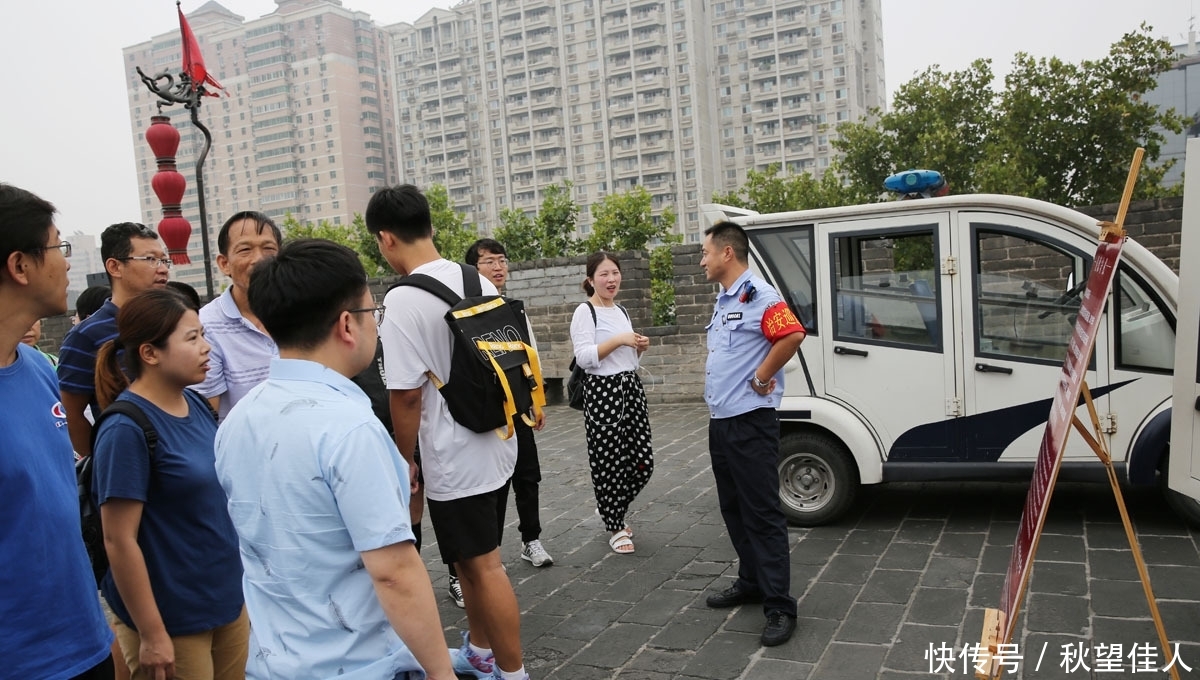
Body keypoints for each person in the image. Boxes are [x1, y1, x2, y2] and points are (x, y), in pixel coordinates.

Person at [215, 239, 455, 680]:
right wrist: (442, 672)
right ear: (348, 324)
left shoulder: (238, 418)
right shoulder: (349, 428)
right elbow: (394, 573)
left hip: (271, 661)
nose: (376, 325)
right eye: (372, 313)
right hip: (358, 663)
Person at [368, 185, 531, 680]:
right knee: (468, 559)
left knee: (484, 567)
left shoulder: (401, 301)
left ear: (386, 239)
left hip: (454, 454)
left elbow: (407, 394)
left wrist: (404, 459)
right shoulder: (478, 280)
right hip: (499, 438)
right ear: (431, 228)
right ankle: (481, 652)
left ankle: (513, 672)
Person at [92, 289, 248, 679]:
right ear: (150, 353)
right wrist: (151, 632)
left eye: (203, 334)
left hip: (226, 602)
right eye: (192, 338)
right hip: (172, 620)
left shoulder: (195, 404)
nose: (207, 348)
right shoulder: (126, 429)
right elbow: (118, 539)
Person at [0, 182, 114, 679]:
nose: (66, 263)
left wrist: (100, 636)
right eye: (56, 247)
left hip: (83, 642)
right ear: (19, 265)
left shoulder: (37, 367)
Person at [699, 221, 806, 647]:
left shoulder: (760, 295)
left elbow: (792, 334)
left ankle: (780, 605)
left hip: (750, 423)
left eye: (706, 252)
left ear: (728, 253)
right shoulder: (725, 299)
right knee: (734, 509)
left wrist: (763, 376)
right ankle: (752, 580)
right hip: (722, 423)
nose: (702, 260)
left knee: (761, 514)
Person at [465, 238, 553, 569]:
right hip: (492, 409)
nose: (499, 267)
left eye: (502, 260)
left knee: (528, 475)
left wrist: (536, 399)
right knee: (496, 481)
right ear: (474, 269)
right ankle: (493, 550)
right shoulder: (470, 311)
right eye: (490, 261)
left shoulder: (513, 306)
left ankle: (531, 540)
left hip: (520, 405)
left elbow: (529, 353)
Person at [59, 222, 170, 456]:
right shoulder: (85, 336)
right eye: (150, 259)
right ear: (115, 267)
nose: (162, 269)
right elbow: (71, 412)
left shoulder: (175, 322)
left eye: (164, 260)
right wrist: (105, 459)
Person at [569, 252, 653, 555]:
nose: (611, 279)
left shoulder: (622, 310)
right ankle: (615, 524)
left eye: (615, 273)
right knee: (609, 462)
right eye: (604, 274)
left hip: (630, 387)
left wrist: (639, 347)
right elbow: (585, 358)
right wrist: (619, 340)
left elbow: (629, 359)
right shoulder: (585, 312)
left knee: (643, 462)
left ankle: (609, 507)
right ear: (591, 279)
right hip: (602, 391)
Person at [192, 211, 281, 420]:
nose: (259, 259)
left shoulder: (304, 313)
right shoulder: (205, 326)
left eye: (268, 248)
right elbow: (206, 418)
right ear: (224, 264)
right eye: (245, 250)